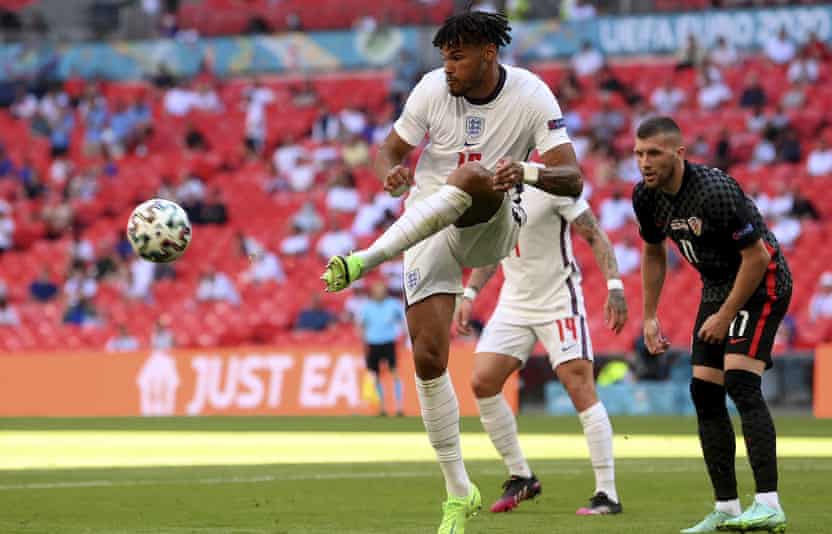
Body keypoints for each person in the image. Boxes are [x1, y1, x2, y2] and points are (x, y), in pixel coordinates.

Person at [320, 11, 583, 534]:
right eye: (443, 57)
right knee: (428, 357)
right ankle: (459, 492)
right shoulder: (430, 90)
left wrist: (525, 171)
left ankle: (365, 259)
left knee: (473, 176)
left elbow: (572, 178)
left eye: (457, 56)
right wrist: (389, 173)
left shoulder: (532, 95)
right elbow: (390, 150)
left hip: (494, 219)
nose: (448, 68)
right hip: (426, 224)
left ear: (489, 52)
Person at [630, 117, 792, 533]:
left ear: (679, 154)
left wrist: (724, 315)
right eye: (639, 153)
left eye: (654, 154)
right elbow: (652, 254)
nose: (644, 162)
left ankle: (770, 505)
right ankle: (727, 508)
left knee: (740, 382)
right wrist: (650, 315)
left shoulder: (714, 191)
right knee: (704, 391)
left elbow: (756, 257)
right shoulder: (645, 198)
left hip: (762, 280)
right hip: (718, 285)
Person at [457, 181, 628, 516]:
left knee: (579, 387)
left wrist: (615, 286)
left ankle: (607, 493)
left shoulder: (553, 185)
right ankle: (521, 475)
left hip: (558, 300)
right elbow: (492, 251)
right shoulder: (494, 191)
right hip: (514, 302)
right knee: (482, 381)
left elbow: (594, 234)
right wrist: (470, 293)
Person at [357, 280, 405, 416]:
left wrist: (403, 336)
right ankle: (382, 407)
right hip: (373, 343)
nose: (379, 293)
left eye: (381, 290)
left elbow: (403, 321)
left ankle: (399, 407)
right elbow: (361, 324)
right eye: (376, 291)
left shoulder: (394, 305)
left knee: (394, 373)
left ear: (385, 292)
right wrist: (363, 339)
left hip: (389, 342)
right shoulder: (367, 307)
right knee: (376, 376)